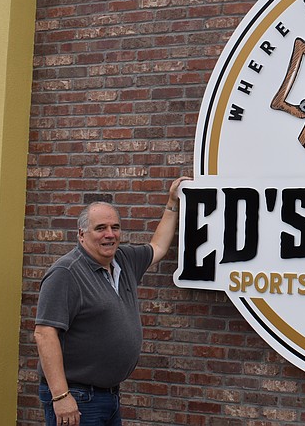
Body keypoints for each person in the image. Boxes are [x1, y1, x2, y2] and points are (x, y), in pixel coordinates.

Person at [34, 177, 191, 426]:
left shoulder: (124, 260)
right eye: (100, 228)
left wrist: (172, 202)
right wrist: (61, 396)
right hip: (77, 398)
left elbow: (158, 246)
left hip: (108, 396)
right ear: (81, 234)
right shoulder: (66, 273)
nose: (110, 234)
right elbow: (45, 333)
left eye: (115, 227)